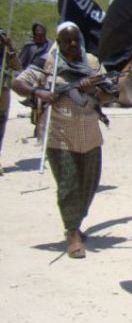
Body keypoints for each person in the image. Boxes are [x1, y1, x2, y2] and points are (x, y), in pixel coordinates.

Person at [12, 22, 114, 258]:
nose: (72, 44)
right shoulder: (48, 64)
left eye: (76, 39)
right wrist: (38, 92)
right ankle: (73, 234)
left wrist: (94, 92)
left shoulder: (91, 63)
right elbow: (18, 82)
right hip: (59, 133)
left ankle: (76, 220)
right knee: (68, 183)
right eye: (67, 40)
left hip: (89, 132)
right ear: (58, 43)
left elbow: (110, 93)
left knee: (89, 183)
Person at [0, 30, 22, 167]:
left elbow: (18, 66)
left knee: (1, 124)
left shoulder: (7, 54)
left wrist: (10, 47)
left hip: (3, 92)